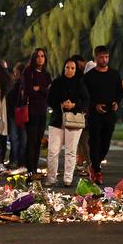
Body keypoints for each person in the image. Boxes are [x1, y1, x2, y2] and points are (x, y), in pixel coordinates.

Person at [46, 58, 89, 187]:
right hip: (57, 120)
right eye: (67, 67)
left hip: (74, 121)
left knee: (71, 151)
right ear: (64, 68)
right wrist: (61, 104)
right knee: (53, 151)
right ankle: (51, 178)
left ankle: (68, 179)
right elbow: (50, 100)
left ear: (76, 70)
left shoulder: (80, 83)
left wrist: (74, 105)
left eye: (73, 68)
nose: (70, 70)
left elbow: (86, 101)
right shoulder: (57, 82)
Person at [83, 46, 123, 184]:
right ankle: (97, 170)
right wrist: (94, 105)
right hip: (94, 115)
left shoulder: (114, 74)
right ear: (96, 58)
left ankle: (94, 165)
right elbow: (85, 95)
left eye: (106, 57)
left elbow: (119, 92)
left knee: (105, 143)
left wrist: (116, 102)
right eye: (101, 57)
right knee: (94, 141)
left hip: (109, 115)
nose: (104, 60)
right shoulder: (89, 77)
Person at [22, 48, 52, 175]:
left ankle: (34, 167)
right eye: (38, 56)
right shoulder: (28, 72)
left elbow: (49, 92)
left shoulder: (46, 74)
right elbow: (28, 90)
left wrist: (39, 88)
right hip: (31, 110)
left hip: (42, 111)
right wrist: (42, 90)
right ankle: (30, 169)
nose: (40, 58)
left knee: (38, 141)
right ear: (34, 57)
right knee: (31, 140)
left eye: (43, 56)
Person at [6, 62, 27, 171]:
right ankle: (17, 161)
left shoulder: (23, 86)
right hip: (16, 114)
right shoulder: (14, 85)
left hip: (20, 113)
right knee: (17, 138)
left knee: (19, 139)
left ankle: (18, 161)